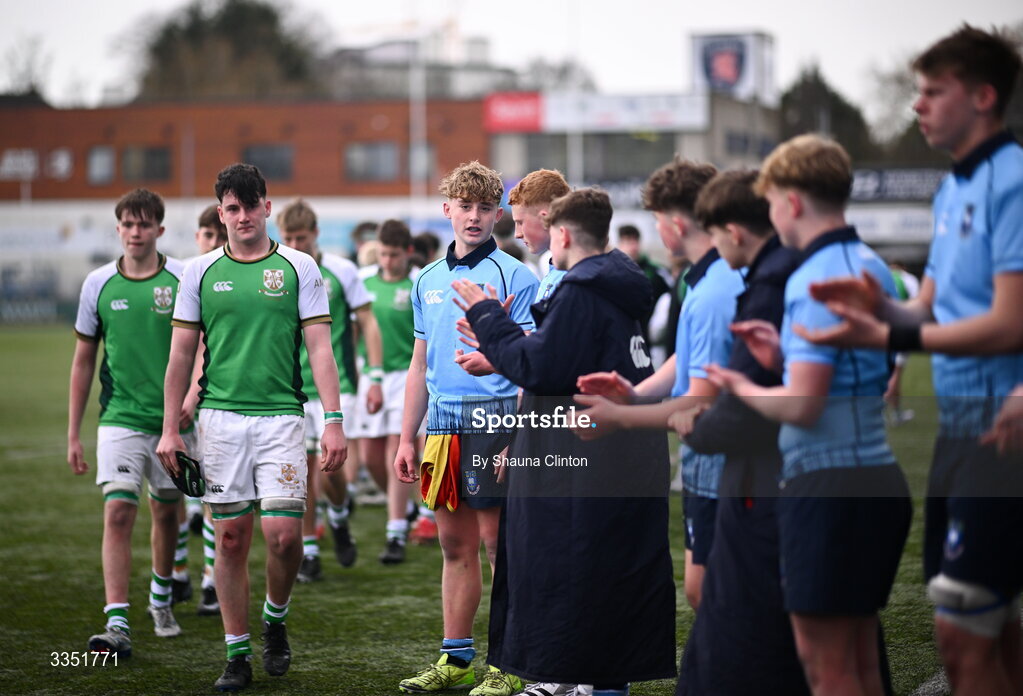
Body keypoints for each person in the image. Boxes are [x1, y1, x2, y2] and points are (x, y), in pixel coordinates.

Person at [795, 27, 1023, 695]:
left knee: (960, 627)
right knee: (992, 621)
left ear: (982, 96)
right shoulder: (952, 187)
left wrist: (888, 338)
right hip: (960, 427)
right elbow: (924, 307)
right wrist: (875, 313)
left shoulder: (1011, 180)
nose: (916, 105)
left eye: (931, 92)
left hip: (1001, 428)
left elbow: (1009, 322)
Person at [704, 135, 911, 696]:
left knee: (829, 670)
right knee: (863, 663)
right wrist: (781, 355)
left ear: (791, 203)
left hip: (828, 487)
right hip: (873, 474)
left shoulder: (812, 274)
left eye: (770, 203)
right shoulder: (866, 259)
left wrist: (744, 383)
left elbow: (803, 404)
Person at [454, 187, 676, 696]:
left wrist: (490, 319)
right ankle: (594, 683)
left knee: (578, 581)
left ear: (564, 233)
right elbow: (568, 359)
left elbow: (544, 367)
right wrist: (505, 348)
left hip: (584, 461)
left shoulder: (580, 290)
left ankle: (572, 681)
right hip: (621, 456)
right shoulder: (620, 281)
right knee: (610, 587)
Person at [156, 163, 348, 691]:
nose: (242, 217)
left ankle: (275, 621)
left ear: (268, 206)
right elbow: (180, 356)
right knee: (233, 537)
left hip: (282, 419)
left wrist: (333, 421)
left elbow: (319, 349)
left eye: (250, 205)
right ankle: (237, 654)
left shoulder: (298, 267)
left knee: (285, 538)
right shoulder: (197, 273)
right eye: (231, 208)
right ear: (221, 213)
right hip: (218, 422)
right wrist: (171, 428)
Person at [393, 161, 538, 696]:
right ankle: (456, 661)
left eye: (484, 208)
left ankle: (507, 663)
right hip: (442, 425)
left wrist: (522, 434)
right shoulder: (427, 279)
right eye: (465, 206)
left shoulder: (516, 276)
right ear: (447, 209)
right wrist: (408, 437)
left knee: (500, 546)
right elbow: (418, 363)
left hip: (497, 422)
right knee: (454, 546)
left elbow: (530, 361)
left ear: (498, 214)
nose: (474, 217)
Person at [575, 158, 741, 611]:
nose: (654, 230)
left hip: (727, 456)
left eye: (655, 219)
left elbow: (699, 402)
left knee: (714, 595)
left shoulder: (713, 290)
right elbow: (686, 363)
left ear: (676, 221)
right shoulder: (701, 277)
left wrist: (621, 418)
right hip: (714, 453)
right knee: (707, 590)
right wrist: (635, 392)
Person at [670, 170, 809, 695]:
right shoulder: (748, 279)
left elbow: (789, 399)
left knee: (814, 644)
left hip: (783, 472)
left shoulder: (749, 284)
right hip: (777, 469)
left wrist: (706, 414)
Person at [68, 188, 189, 656]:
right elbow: (82, 362)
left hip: (173, 424)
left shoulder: (182, 277)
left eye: (144, 224)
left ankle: (161, 598)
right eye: (128, 224)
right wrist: (74, 433)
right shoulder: (97, 283)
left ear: (159, 229)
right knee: (118, 511)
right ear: (118, 229)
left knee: (166, 510)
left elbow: (200, 344)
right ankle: (117, 622)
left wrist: (192, 395)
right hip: (119, 418)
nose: (135, 232)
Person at [276, 198, 383, 583]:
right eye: (288, 238)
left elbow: (368, 323)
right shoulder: (276, 272)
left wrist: (374, 375)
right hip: (289, 391)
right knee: (300, 472)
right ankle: (310, 551)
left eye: (301, 237)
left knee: (331, 469)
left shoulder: (340, 270)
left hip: (336, 389)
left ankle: (337, 516)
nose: (295, 244)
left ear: (316, 234)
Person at [353, 219, 418, 563]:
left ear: (407, 253)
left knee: (397, 451)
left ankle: (395, 534)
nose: (387, 261)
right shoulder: (363, 282)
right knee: (370, 458)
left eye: (393, 255)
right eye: (382, 254)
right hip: (370, 377)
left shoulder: (418, 282)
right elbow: (351, 333)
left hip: (407, 378)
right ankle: (406, 510)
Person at [616, 224, 671, 346]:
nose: (632, 246)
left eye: (635, 240)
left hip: (651, 341)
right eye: (627, 241)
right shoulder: (612, 275)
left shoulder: (657, 273)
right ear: (619, 244)